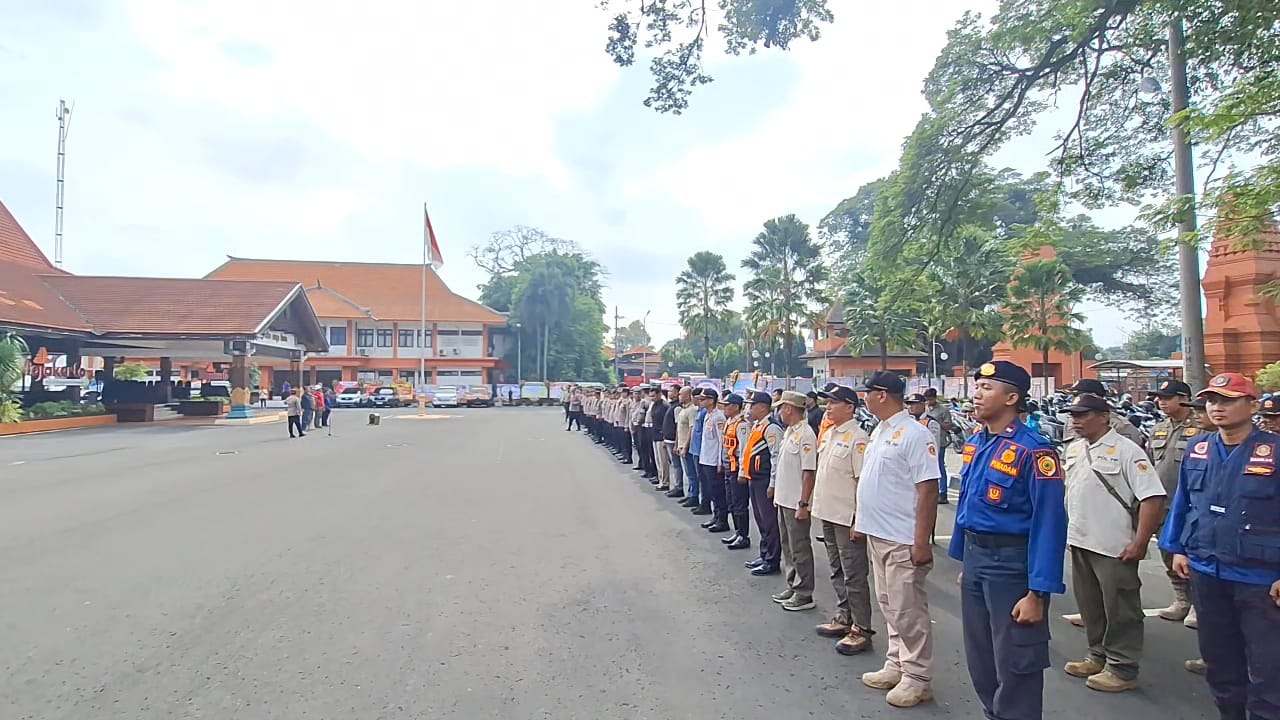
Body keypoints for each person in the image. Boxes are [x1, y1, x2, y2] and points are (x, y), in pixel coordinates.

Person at [951, 361, 1067, 720]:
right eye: (977, 386)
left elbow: (1050, 523)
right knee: (981, 656)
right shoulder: (975, 442)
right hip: (977, 561)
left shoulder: (1034, 450)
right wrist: (964, 560)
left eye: (988, 388)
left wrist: (1037, 593)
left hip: (1010, 565)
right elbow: (968, 505)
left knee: (1016, 658)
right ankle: (994, 713)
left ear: (1012, 397)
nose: (977, 393)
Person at [1160, 373, 1280, 720]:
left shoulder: (1273, 451)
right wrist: (1178, 548)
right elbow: (1183, 503)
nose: (1217, 407)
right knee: (1220, 662)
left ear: (1252, 406)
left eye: (1227, 400)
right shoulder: (1199, 448)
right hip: (1207, 571)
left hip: (1259, 579)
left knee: (1268, 669)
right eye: (1212, 400)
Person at [1060, 393, 1166, 692]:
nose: (1076, 420)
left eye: (1084, 414)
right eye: (1073, 415)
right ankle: (1097, 654)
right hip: (1082, 540)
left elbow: (1152, 497)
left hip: (1115, 544)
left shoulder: (1126, 450)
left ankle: (1122, 668)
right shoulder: (1076, 449)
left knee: (1121, 608)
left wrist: (1141, 541)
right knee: (1091, 606)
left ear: (1105, 416)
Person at [854, 372, 940, 708]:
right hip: (879, 532)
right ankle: (897, 663)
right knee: (889, 604)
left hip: (903, 537)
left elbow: (928, 489)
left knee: (909, 610)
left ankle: (918, 678)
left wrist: (922, 542)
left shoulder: (916, 434)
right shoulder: (880, 430)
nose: (864, 398)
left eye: (868, 393)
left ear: (882, 395)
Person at [810, 384, 874, 655]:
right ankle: (843, 616)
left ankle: (862, 627)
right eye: (827, 402)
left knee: (854, 572)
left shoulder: (857, 438)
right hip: (828, 512)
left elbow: (862, 482)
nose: (828, 407)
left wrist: (859, 519)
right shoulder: (829, 435)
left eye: (834, 402)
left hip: (846, 516)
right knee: (836, 568)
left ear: (850, 406)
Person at [1145, 379, 1200, 625]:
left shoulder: (1201, 429)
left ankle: (1199, 603)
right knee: (1168, 553)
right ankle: (1182, 599)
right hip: (1163, 503)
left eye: (1166, 397)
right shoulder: (1158, 428)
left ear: (1183, 398)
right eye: (1159, 398)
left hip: (1192, 505)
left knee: (1193, 555)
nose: (1160, 402)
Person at [768, 391, 820, 612]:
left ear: (789, 408)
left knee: (800, 547)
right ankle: (793, 584)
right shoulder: (790, 431)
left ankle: (804, 592)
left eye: (781, 407)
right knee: (788, 546)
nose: (779, 412)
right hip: (784, 499)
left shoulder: (806, 434)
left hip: (796, 501)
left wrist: (803, 504)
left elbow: (809, 472)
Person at [742, 391, 784, 576]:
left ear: (762, 407)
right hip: (755, 477)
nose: (749, 409)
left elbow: (776, 457)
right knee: (760, 519)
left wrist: (773, 484)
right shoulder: (758, 425)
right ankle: (764, 554)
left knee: (769, 521)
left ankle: (772, 560)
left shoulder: (772, 428)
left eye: (752, 405)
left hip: (765, 479)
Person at [720, 393, 752, 550]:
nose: (724, 408)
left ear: (735, 406)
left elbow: (745, 449)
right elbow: (725, 445)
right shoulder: (729, 422)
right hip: (728, 468)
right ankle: (737, 532)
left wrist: (742, 472)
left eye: (727, 405)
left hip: (736, 469)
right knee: (731, 502)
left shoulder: (742, 425)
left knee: (740, 504)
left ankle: (743, 536)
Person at [697, 390, 730, 529]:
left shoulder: (718, 417)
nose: (701, 401)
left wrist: (719, 462)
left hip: (714, 460)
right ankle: (715, 517)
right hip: (706, 458)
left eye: (703, 399)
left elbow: (721, 441)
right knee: (711, 490)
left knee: (718, 492)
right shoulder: (708, 415)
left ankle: (722, 520)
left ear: (711, 400)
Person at [907, 393, 947, 505]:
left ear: (923, 404)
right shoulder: (908, 420)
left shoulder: (931, 422)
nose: (911, 407)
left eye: (914, 404)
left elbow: (933, 447)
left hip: (924, 462)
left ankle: (942, 492)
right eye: (909, 404)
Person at [925, 388, 954, 501]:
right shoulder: (925, 409)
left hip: (939, 442)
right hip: (926, 442)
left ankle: (943, 492)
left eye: (930, 399)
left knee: (940, 466)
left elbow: (948, 426)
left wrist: (936, 422)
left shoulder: (943, 410)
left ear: (935, 398)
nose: (928, 402)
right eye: (927, 400)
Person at [682, 390, 708, 512]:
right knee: (694, 475)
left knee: (702, 479)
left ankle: (704, 503)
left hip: (700, 451)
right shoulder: (699, 411)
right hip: (695, 449)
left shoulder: (704, 413)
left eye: (702, 399)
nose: (699, 401)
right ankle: (696, 498)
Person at [664, 386, 686, 498]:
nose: (669, 393)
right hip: (668, 439)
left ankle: (679, 487)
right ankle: (677, 485)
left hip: (673, 440)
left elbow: (678, 426)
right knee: (674, 464)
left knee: (677, 465)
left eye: (671, 391)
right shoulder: (672, 405)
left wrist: (676, 443)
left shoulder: (677, 407)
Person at [649, 387, 671, 490]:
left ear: (659, 394)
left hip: (661, 436)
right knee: (657, 460)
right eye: (651, 396)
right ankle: (660, 479)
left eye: (653, 396)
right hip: (654, 434)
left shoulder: (665, 406)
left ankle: (665, 482)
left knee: (663, 461)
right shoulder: (654, 405)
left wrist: (664, 436)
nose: (652, 398)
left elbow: (666, 423)